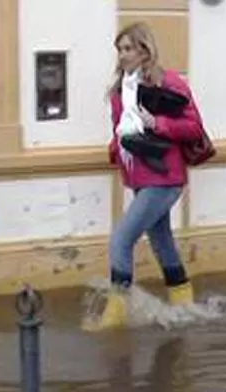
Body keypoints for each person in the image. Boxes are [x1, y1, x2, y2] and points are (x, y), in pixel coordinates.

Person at [83, 22, 206, 331]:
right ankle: (184, 305)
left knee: (121, 240)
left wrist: (157, 123)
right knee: (162, 241)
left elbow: (193, 127)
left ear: (144, 50)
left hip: (164, 178)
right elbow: (119, 129)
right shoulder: (119, 91)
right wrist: (116, 149)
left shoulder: (168, 83)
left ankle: (115, 313)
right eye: (119, 49)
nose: (122, 55)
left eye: (128, 49)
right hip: (139, 177)